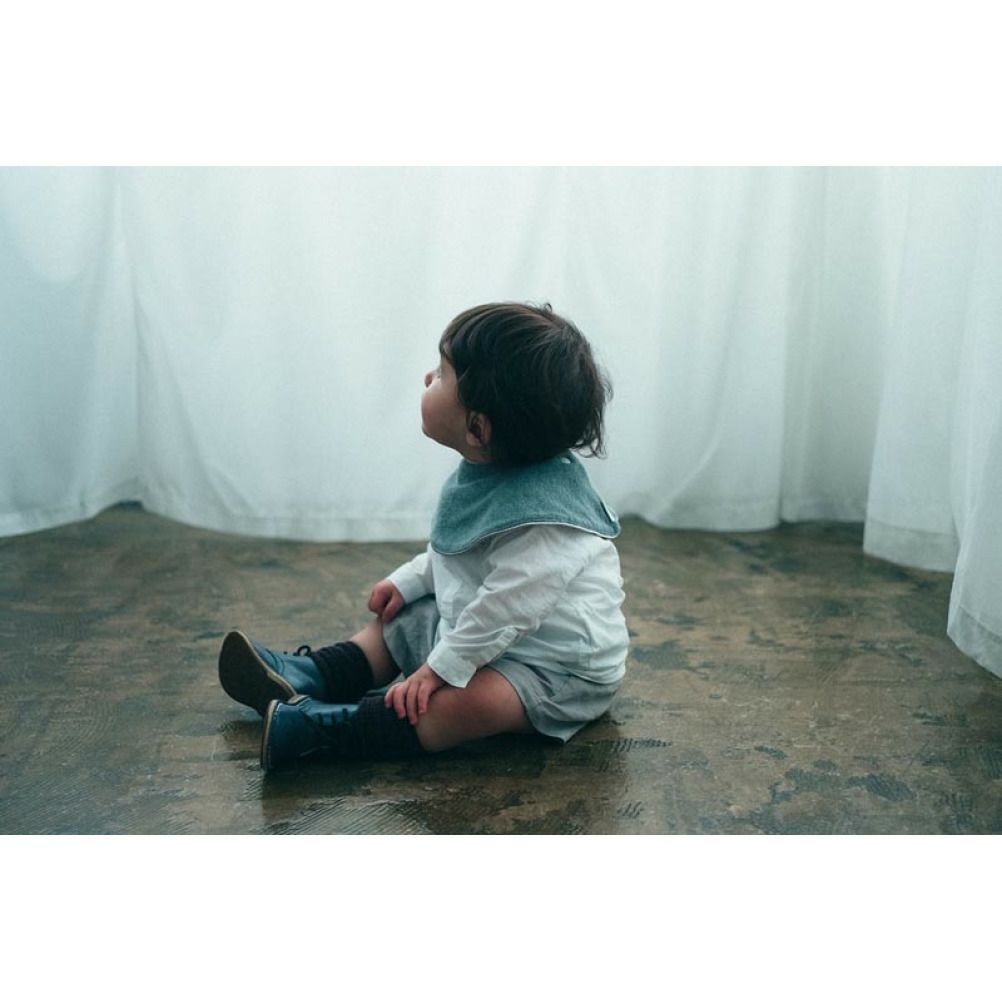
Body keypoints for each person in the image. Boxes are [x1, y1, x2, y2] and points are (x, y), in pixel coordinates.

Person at [218, 302, 629, 770]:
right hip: (491, 634)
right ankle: (316, 674)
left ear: (477, 427)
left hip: (556, 671)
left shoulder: (548, 520)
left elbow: (506, 608)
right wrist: (410, 582)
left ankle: (333, 730)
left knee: (467, 704)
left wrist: (439, 670)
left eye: (442, 374)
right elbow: (459, 552)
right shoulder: (495, 473)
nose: (427, 378)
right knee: (408, 616)